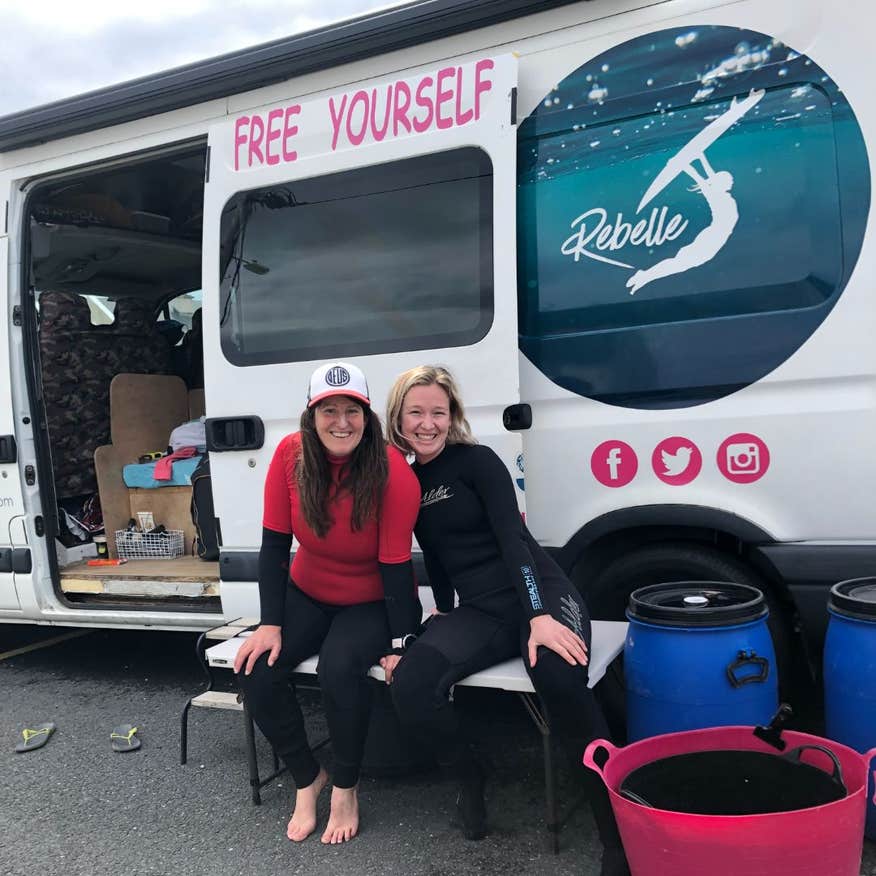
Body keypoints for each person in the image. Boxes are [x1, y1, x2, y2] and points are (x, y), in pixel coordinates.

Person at [381, 365, 629, 876]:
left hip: (540, 589)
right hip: (482, 608)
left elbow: (514, 541)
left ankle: (617, 836)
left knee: (559, 680)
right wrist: (444, 608)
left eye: (438, 412)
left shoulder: (478, 461)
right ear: (397, 418)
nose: (428, 424)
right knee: (411, 684)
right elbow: (435, 551)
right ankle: (469, 776)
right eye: (416, 413)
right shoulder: (405, 479)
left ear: (452, 416)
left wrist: (539, 614)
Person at [234, 361, 421, 845]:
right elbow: (274, 546)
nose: (341, 422)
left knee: (338, 671)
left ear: (367, 415)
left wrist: (402, 641)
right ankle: (305, 776)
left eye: (352, 411)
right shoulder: (290, 457)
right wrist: (269, 624)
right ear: (311, 416)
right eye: (329, 411)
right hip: (307, 592)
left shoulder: (393, 472)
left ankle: (344, 786)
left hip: (370, 600)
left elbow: (397, 566)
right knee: (256, 669)